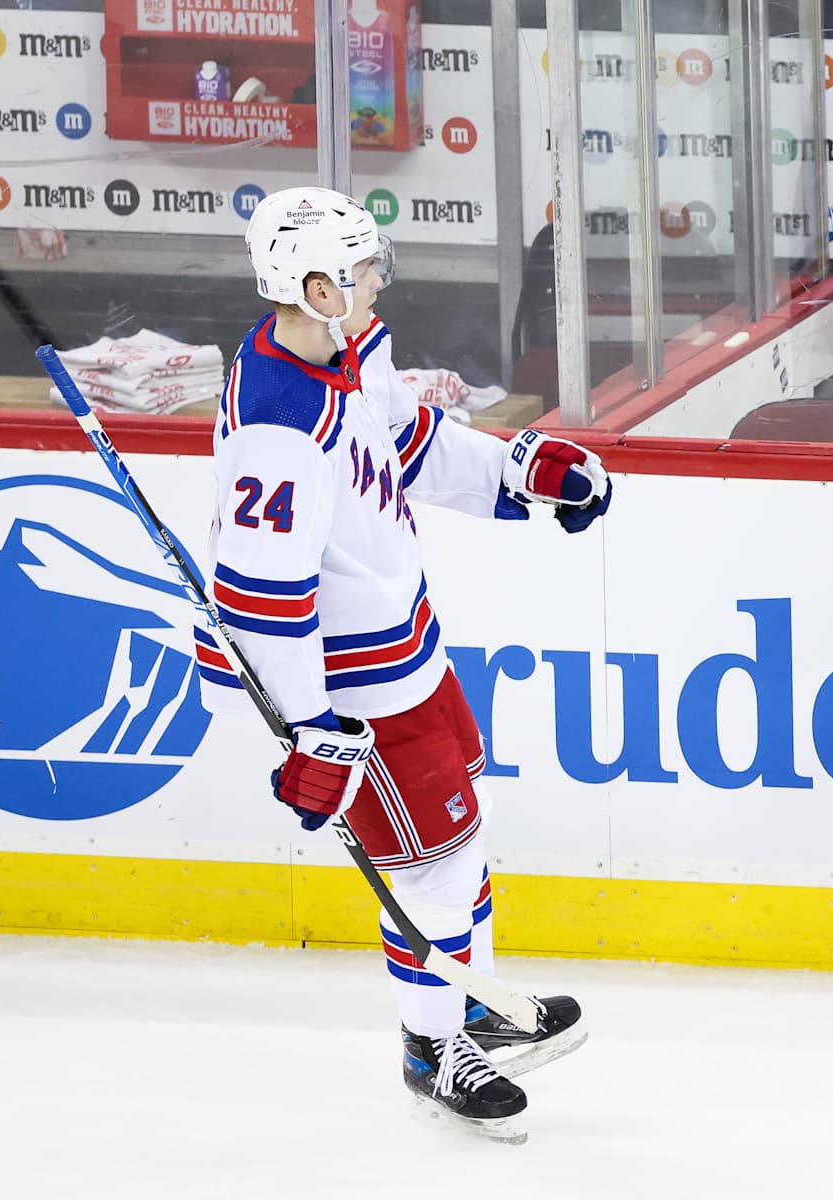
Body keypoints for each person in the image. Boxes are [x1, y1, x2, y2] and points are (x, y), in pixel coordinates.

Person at [201, 187, 613, 1140]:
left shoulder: (347, 355)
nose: (380, 278)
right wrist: (314, 729)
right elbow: (260, 602)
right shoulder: (277, 420)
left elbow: (407, 444)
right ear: (316, 286)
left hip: (407, 654)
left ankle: (463, 1005)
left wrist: (519, 472)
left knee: (458, 837)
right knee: (428, 868)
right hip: (356, 689)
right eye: (363, 268)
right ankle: (434, 1050)